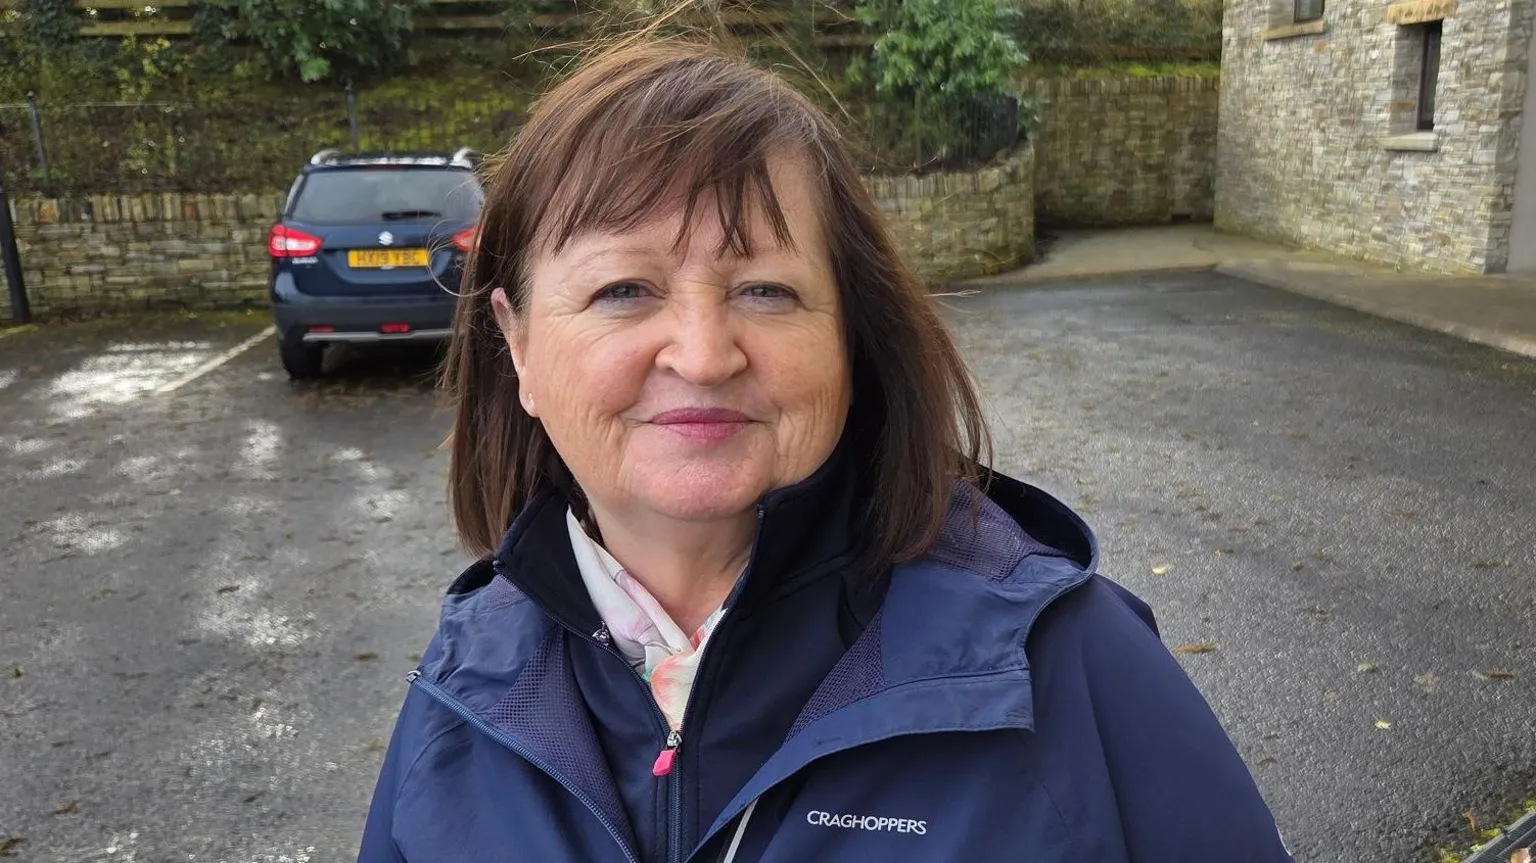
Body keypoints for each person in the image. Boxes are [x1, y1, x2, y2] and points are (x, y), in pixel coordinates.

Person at [357, 35, 1295, 863]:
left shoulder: (1063, 663)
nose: (703, 351)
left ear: (850, 331)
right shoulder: (464, 693)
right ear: (517, 346)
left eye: (765, 289)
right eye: (623, 290)